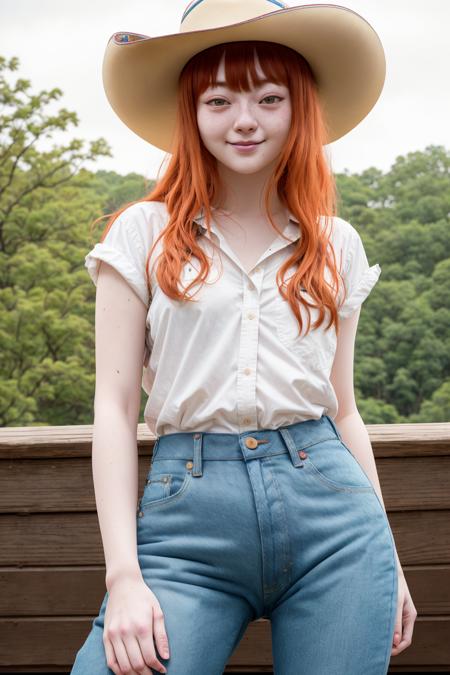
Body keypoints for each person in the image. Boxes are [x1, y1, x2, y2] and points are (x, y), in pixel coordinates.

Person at [71, 1, 417, 674]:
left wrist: (392, 558)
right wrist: (124, 578)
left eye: (269, 96)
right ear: (192, 113)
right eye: (221, 99)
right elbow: (111, 410)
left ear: (300, 108)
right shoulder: (142, 234)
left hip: (338, 525)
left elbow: (343, 408)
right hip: (186, 522)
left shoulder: (335, 244)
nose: (246, 120)